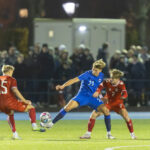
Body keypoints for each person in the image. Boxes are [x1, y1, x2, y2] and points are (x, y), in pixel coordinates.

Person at [41, 59, 114, 139]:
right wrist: (63, 86)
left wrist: (100, 95)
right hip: (82, 96)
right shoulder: (87, 74)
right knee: (67, 108)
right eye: (93, 68)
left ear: (100, 70)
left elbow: (99, 86)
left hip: (92, 98)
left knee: (106, 111)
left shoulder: (101, 75)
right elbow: (74, 80)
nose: (93, 71)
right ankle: (50, 124)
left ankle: (109, 134)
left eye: (95, 70)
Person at [80, 69, 136, 139]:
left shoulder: (121, 84)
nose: (111, 79)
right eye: (111, 77)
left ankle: (132, 135)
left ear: (117, 79)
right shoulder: (107, 82)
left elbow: (125, 93)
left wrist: (123, 96)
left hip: (117, 103)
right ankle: (88, 134)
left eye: (113, 78)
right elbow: (99, 87)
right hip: (107, 102)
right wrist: (100, 96)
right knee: (94, 114)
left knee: (126, 117)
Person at [0, 65, 45, 140]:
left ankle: (15, 134)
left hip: (1, 103)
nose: (12, 73)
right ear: (9, 71)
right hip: (9, 102)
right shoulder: (12, 79)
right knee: (31, 107)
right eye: (12, 72)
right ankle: (34, 126)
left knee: (10, 114)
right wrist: (24, 100)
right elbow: (15, 91)